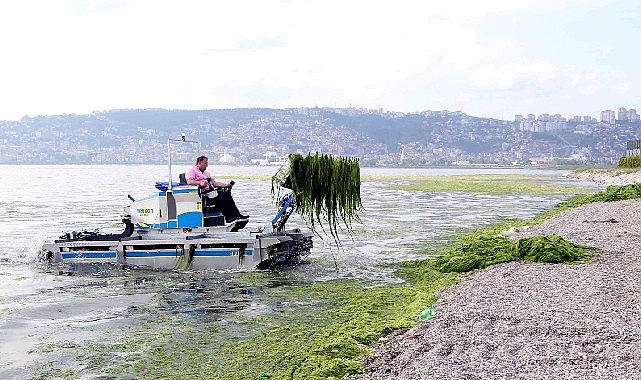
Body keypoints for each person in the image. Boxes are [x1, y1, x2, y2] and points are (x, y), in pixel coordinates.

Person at [186, 155, 247, 222]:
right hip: (203, 193)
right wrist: (200, 183)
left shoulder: (206, 173)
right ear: (199, 163)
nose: (207, 165)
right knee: (221, 195)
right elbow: (189, 181)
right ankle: (228, 217)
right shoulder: (192, 170)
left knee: (227, 194)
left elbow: (214, 183)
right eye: (205, 163)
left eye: (207, 163)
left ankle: (237, 214)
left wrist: (227, 185)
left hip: (211, 191)